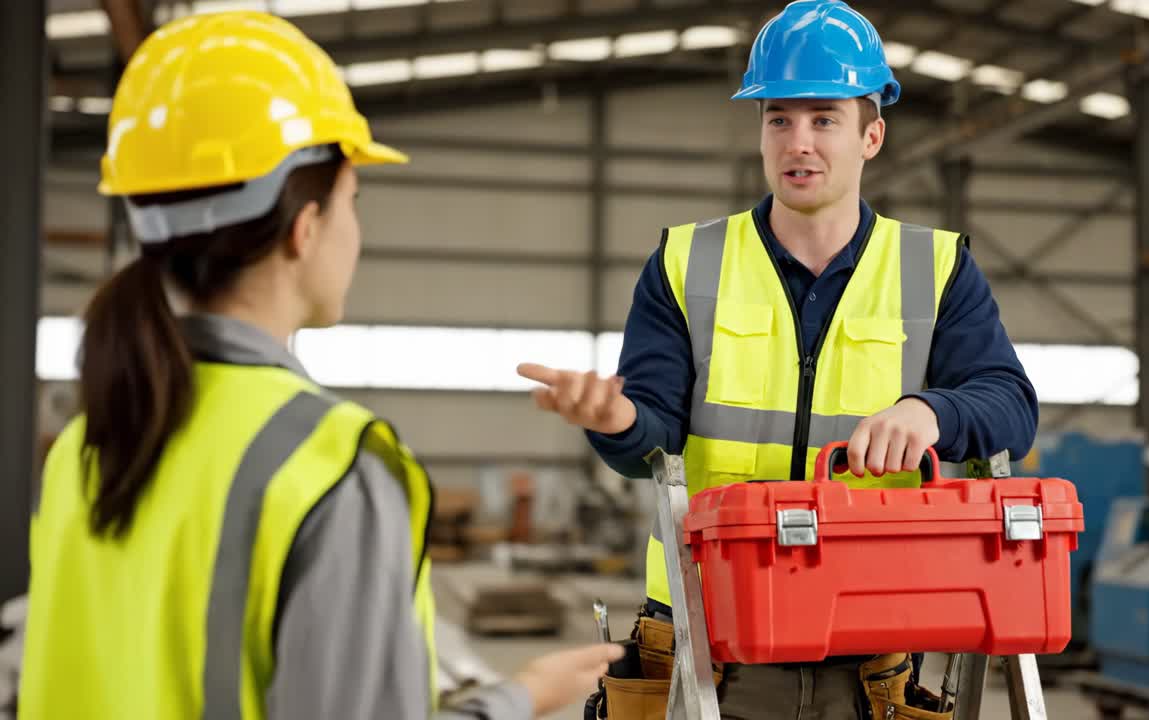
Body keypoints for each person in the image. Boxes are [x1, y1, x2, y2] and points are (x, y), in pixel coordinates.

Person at [19, 12, 619, 720]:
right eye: (352, 200)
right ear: (305, 230)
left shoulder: (89, 444)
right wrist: (528, 696)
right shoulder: (327, 465)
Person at [517, 1, 1038, 717]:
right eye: (779, 118)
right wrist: (615, 418)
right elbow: (653, 441)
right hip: (707, 640)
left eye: (824, 118)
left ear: (871, 135)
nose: (800, 142)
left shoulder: (936, 269)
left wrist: (932, 408)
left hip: (867, 646)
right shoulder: (686, 263)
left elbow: (1011, 405)